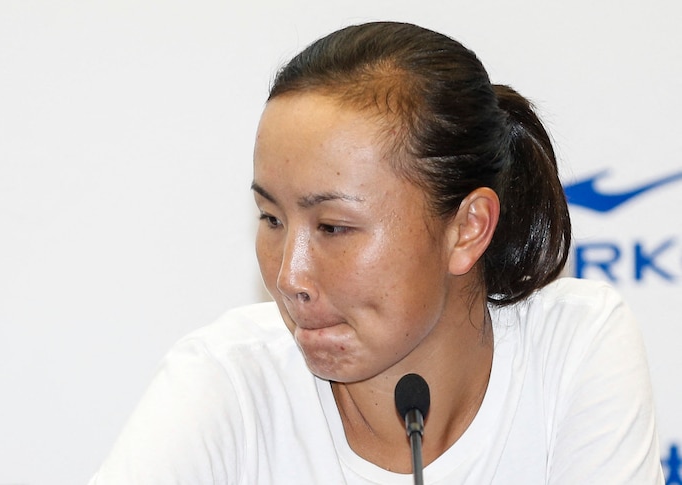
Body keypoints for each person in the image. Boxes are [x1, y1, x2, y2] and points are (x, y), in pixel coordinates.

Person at [89, 21, 663, 484]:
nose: (290, 276)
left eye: (334, 227)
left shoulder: (572, 348)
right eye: (271, 219)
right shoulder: (227, 381)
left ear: (467, 228)